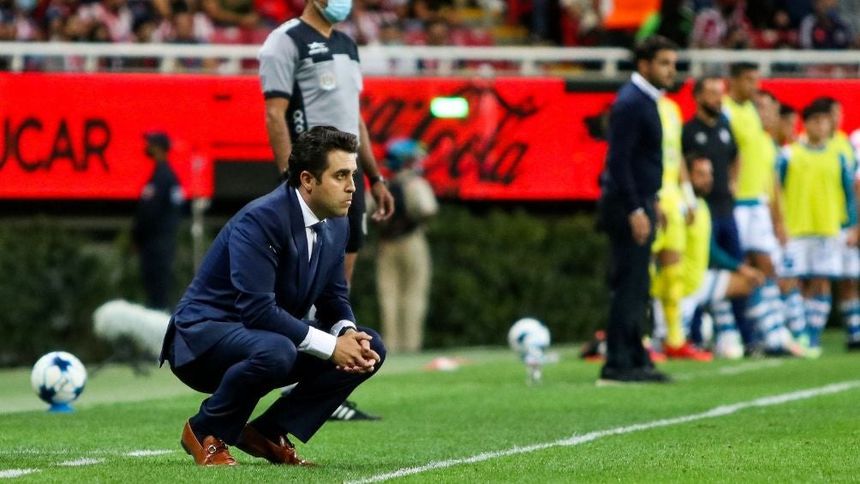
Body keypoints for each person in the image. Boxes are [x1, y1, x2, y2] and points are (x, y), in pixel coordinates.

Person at [159, 127, 386, 466]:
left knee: (371, 346)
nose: (352, 186)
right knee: (278, 349)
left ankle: (268, 431)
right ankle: (205, 429)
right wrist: (331, 347)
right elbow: (257, 310)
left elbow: (334, 298)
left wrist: (347, 334)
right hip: (202, 340)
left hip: (264, 337)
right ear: (307, 180)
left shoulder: (337, 223)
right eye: (340, 175)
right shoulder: (262, 218)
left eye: (352, 175)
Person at [257, 0, 394, 420]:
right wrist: (291, 179)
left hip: (347, 177)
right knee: (300, 286)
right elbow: (275, 114)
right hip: (313, 180)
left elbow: (356, 119)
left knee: (337, 288)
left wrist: (376, 177)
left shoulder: (348, 45)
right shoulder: (285, 41)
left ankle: (323, 388)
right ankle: (293, 380)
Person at [596, 35, 677, 385]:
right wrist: (635, 209)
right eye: (664, 63)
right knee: (629, 285)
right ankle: (618, 363)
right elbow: (618, 161)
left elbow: (640, 161)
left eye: (673, 64)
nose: (671, 71)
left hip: (641, 200)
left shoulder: (643, 100)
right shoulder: (631, 102)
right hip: (626, 205)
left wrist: (652, 201)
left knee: (638, 284)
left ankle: (635, 357)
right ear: (644, 65)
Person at [777, 101, 857, 358]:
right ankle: (798, 330)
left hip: (828, 228)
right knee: (790, 280)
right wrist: (778, 224)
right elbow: (776, 189)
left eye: (825, 121)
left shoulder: (839, 156)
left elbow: (848, 193)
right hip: (795, 228)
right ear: (806, 124)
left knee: (821, 281)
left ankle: (811, 335)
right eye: (816, 121)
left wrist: (853, 225)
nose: (821, 126)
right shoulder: (789, 155)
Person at [681, 76, 746, 352]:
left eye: (720, 93)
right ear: (697, 97)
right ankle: (694, 335)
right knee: (699, 270)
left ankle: (744, 336)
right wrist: (688, 197)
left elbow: (737, 154)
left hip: (725, 209)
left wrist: (734, 182)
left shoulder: (724, 126)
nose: (718, 99)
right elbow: (681, 164)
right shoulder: (688, 131)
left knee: (736, 270)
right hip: (701, 210)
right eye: (712, 93)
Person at [722, 62, 783, 356]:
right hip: (735, 203)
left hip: (756, 202)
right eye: (748, 79)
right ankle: (731, 332)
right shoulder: (726, 110)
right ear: (733, 81)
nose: (754, 86)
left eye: (757, 80)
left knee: (765, 265)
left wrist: (777, 216)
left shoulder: (751, 113)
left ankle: (770, 331)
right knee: (737, 266)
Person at [374, 139, 438, 353]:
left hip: (386, 243)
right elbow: (428, 208)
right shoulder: (416, 184)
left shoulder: (382, 186)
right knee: (414, 295)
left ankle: (390, 346)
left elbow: (369, 212)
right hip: (413, 241)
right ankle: (410, 346)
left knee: (388, 296)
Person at [132, 131, 184, 310]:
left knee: (157, 294)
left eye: (151, 144)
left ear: (160, 148)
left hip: (156, 244)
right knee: (157, 292)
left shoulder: (163, 177)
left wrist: (138, 236)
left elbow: (150, 212)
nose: (147, 147)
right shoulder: (164, 176)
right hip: (161, 243)